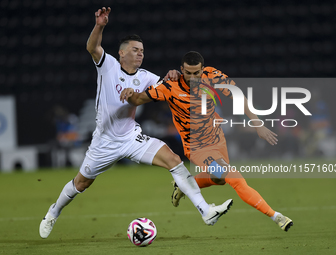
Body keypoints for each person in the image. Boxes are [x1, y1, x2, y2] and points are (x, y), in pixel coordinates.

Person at [39, 8, 233, 239]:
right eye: (135, 50)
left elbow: (170, 85)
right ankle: (53, 212)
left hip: (132, 137)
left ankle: (206, 211)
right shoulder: (107, 65)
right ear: (121, 53)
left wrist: (173, 74)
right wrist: (100, 25)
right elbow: (92, 48)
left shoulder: (147, 77)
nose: (140, 54)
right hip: (105, 141)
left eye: (142, 50)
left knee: (174, 160)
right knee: (81, 184)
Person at [120, 51, 293, 232]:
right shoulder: (169, 86)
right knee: (234, 178)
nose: (192, 77)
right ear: (182, 70)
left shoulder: (212, 75)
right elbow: (139, 99)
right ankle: (276, 216)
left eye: (197, 73)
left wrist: (257, 124)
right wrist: (131, 92)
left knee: (218, 179)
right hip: (197, 147)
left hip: (217, 139)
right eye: (188, 73)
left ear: (203, 69)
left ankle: (184, 184)